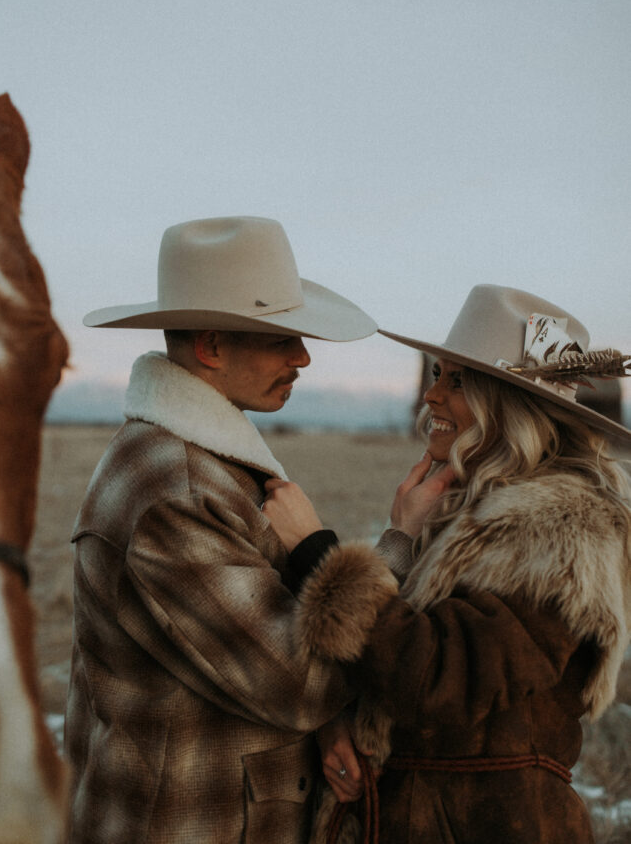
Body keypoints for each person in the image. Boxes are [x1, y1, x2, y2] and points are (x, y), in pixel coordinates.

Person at [263, 284, 631, 844]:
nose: (432, 396)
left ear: (506, 404)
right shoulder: (473, 512)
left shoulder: (560, 530)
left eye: (456, 381)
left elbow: (438, 678)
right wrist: (402, 537)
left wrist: (316, 552)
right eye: (436, 373)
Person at [64, 215, 378, 844]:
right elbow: (300, 683)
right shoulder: (174, 494)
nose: (304, 357)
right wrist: (390, 543)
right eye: (282, 338)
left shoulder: (199, 461)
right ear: (210, 347)